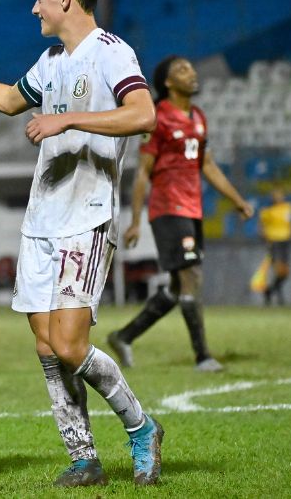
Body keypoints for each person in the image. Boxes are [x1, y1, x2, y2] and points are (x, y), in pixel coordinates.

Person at [0, 0, 162, 487]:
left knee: (69, 344)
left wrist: (67, 117)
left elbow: (144, 115)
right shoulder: (50, 61)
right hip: (41, 217)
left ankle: (141, 427)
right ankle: (83, 456)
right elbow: (5, 99)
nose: (34, 6)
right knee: (46, 347)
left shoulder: (111, 53)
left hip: (85, 218)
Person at [108, 55, 254, 373]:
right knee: (191, 278)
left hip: (192, 209)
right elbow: (143, 173)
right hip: (168, 209)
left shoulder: (198, 117)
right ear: (167, 83)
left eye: (191, 67)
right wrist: (134, 220)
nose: (192, 73)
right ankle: (202, 356)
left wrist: (237, 200)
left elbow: (208, 165)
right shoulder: (157, 117)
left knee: (177, 289)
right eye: (182, 70)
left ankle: (123, 336)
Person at [258, 186, 291, 305]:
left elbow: (290, 224)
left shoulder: (288, 208)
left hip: (285, 241)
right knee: (278, 270)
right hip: (274, 241)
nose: (278, 197)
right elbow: (262, 227)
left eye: (280, 195)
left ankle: (269, 291)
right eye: (275, 195)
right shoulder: (267, 211)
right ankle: (280, 299)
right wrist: (266, 240)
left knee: (286, 272)